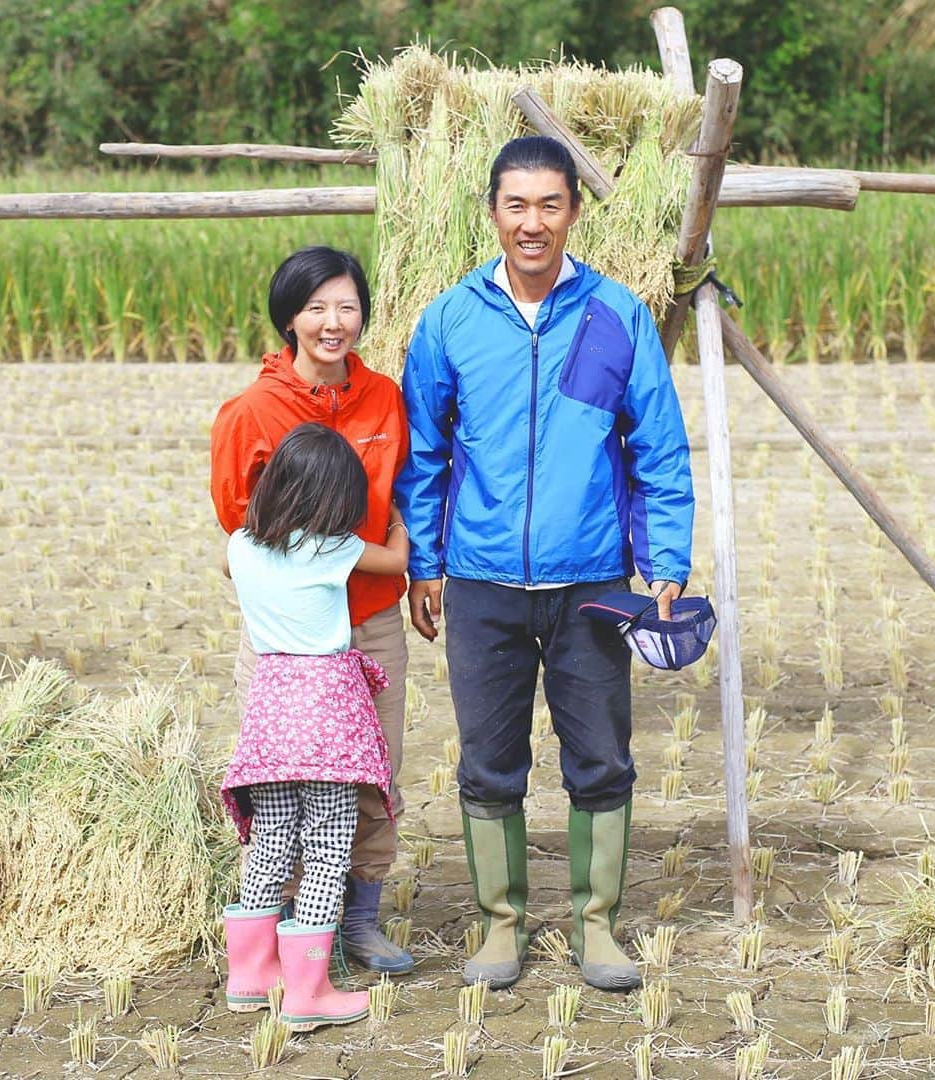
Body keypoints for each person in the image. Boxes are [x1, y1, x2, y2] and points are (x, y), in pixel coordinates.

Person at [395, 136, 694, 992]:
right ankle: (500, 926)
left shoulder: (616, 316)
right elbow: (425, 454)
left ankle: (597, 926)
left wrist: (664, 558)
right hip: (483, 581)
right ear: (492, 212)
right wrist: (426, 561)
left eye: (549, 204)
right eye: (516, 205)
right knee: (489, 761)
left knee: (600, 756)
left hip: (592, 578)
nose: (533, 222)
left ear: (573, 211)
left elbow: (660, 450)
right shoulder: (451, 319)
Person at [210, 246, 413, 974]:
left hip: (372, 624)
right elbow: (238, 522)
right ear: (289, 318)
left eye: (348, 307)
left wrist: (421, 576)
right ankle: (298, 927)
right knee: (286, 789)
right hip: (287, 648)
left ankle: (360, 918)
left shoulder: (385, 397)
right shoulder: (251, 411)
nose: (334, 323)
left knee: (374, 774)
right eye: (316, 308)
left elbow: (408, 490)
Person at [220, 422, 409, 1031]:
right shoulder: (334, 548)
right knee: (328, 846)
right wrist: (398, 518)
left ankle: (250, 978)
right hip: (326, 709)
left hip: (271, 710)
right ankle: (309, 993)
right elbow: (396, 560)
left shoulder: (241, 547)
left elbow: (235, 572)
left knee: (272, 838)